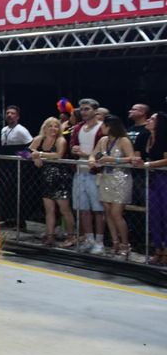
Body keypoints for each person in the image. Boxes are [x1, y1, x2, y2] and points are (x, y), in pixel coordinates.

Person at [91, 115, 133, 259]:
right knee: (108, 212)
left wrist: (113, 159)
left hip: (121, 179)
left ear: (110, 126)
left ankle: (125, 245)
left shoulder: (123, 140)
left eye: (103, 126)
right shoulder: (103, 140)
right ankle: (115, 242)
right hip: (105, 178)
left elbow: (131, 158)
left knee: (116, 213)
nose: (101, 128)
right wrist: (92, 161)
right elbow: (93, 154)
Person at [31, 117, 73, 247]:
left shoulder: (60, 140)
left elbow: (58, 155)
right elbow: (27, 152)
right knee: (49, 210)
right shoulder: (39, 139)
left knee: (64, 209)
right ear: (45, 128)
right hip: (45, 178)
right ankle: (50, 236)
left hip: (60, 178)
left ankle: (71, 237)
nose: (54, 128)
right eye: (51, 126)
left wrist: (39, 154)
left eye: (56, 126)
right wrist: (34, 157)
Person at [70, 99, 105, 254]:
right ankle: (88, 238)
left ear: (95, 111)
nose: (83, 112)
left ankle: (99, 241)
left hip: (95, 173)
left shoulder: (102, 128)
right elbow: (72, 147)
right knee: (83, 208)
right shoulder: (78, 127)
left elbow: (104, 151)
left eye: (87, 109)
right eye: (82, 109)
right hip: (80, 171)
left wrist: (86, 154)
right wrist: (74, 149)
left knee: (98, 209)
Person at [133, 111, 167, 265]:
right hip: (152, 179)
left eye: (152, 119)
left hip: (163, 179)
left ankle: (165, 251)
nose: (148, 120)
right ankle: (158, 249)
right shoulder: (146, 137)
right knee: (154, 216)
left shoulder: (164, 138)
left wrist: (148, 164)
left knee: (165, 216)